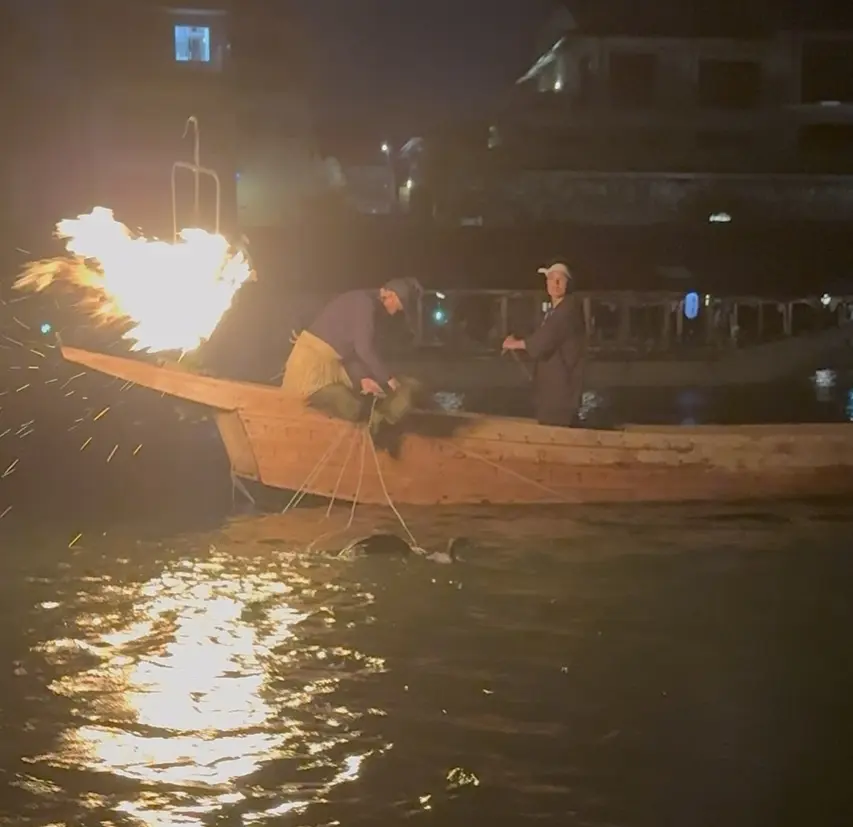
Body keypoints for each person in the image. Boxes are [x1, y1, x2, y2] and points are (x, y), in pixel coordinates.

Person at [282, 276, 424, 428]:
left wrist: (363, 378)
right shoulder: (364, 303)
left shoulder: (371, 305)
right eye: (398, 306)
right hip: (311, 365)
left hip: (333, 364)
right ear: (392, 295)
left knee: (362, 397)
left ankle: (377, 422)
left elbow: (352, 351)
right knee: (349, 406)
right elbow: (364, 348)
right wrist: (389, 379)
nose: (395, 311)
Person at [502, 261, 586, 427]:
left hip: (560, 395)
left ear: (568, 284)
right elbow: (544, 337)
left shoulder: (567, 310)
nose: (555, 284)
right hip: (554, 392)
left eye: (560, 280)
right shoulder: (556, 310)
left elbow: (542, 342)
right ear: (546, 283)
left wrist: (514, 344)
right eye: (551, 279)